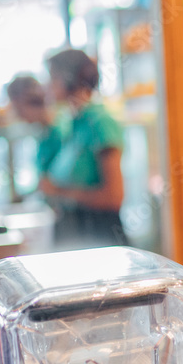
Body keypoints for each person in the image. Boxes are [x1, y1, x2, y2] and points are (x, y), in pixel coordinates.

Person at [40, 49, 127, 248]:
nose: (46, 87)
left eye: (51, 78)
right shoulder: (71, 122)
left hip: (98, 236)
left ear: (68, 79)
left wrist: (60, 192)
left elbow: (114, 197)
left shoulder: (100, 123)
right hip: (74, 233)